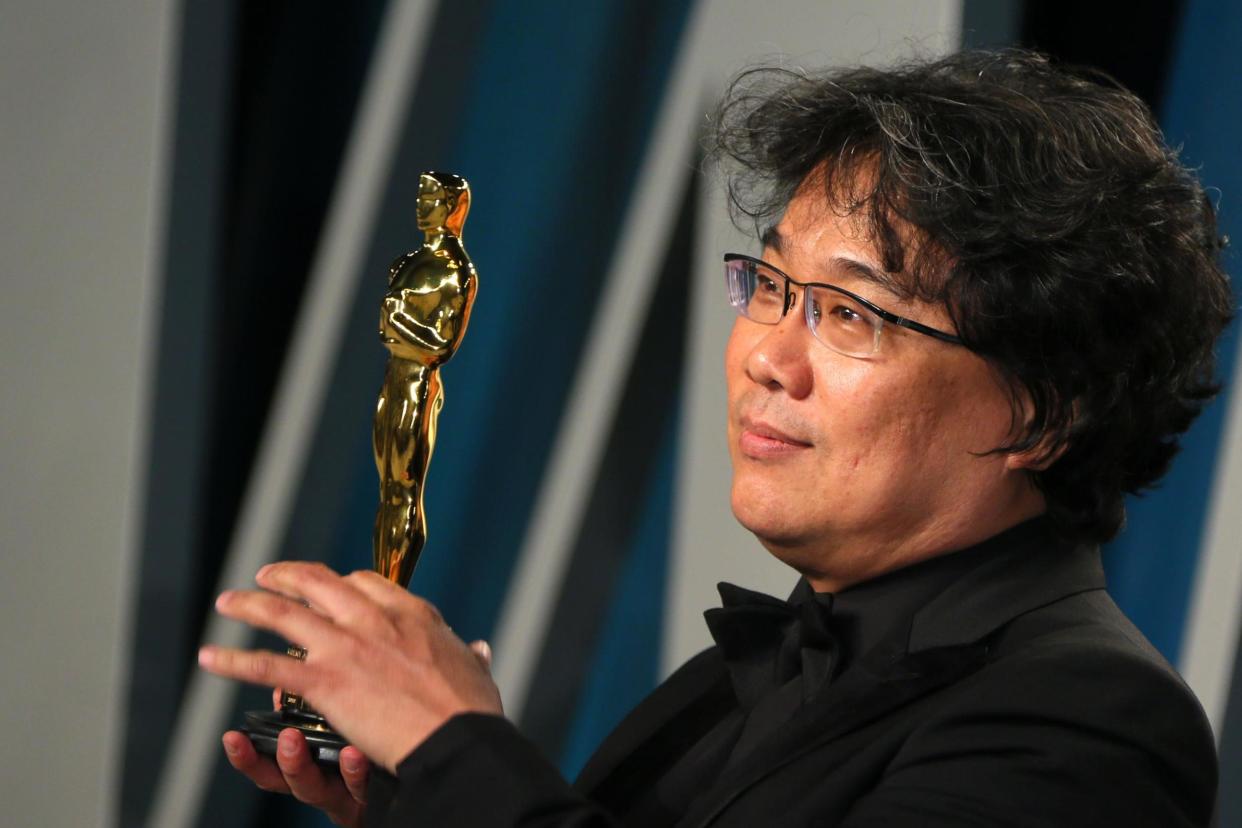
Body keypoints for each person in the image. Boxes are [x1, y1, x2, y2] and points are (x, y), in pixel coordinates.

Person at [199, 49, 1233, 826]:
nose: (765, 358)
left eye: (850, 314)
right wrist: (427, 799)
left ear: (1038, 412)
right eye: (773, 286)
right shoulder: (743, 676)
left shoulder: (1089, 719)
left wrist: (456, 745)